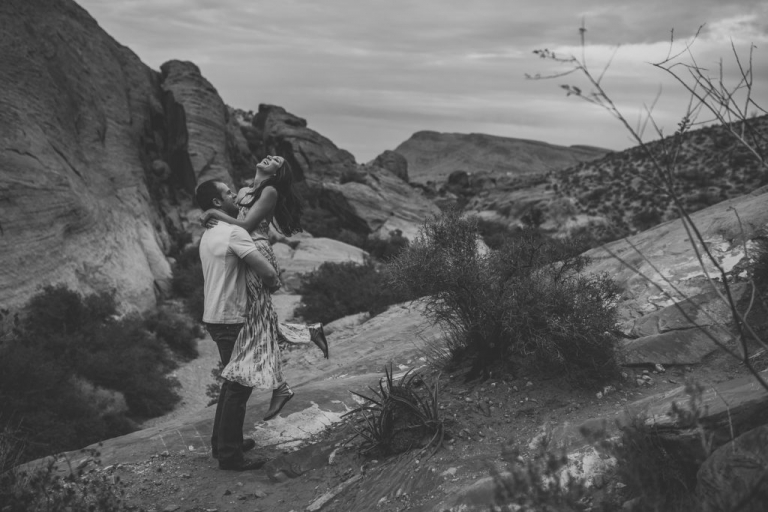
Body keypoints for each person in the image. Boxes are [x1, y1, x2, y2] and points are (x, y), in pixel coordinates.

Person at [200, 155, 328, 421]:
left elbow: (246, 226)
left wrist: (214, 214)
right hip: (244, 251)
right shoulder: (246, 191)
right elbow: (228, 209)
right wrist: (216, 213)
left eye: (277, 161)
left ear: (277, 173)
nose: (271, 157)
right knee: (259, 318)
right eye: (271, 155)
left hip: (257, 249)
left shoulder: (270, 191)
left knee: (258, 317)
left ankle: (281, 385)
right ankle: (306, 337)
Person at [196, 179, 276, 471]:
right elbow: (267, 271)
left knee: (231, 384)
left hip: (215, 317)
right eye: (228, 192)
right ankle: (230, 455)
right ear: (218, 203)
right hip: (233, 319)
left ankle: (224, 444)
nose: (234, 195)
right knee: (240, 387)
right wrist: (273, 282)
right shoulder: (234, 232)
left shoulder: (209, 233)